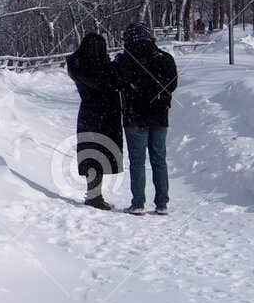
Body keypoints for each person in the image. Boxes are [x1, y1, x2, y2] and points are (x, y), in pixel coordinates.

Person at [114, 21, 178, 216]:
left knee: (137, 161)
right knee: (159, 159)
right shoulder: (165, 58)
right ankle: (162, 203)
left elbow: (117, 83)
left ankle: (138, 203)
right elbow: (173, 84)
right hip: (159, 116)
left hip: (134, 117)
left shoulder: (125, 60)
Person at [65, 32, 123, 210]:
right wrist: (116, 65)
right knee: (99, 153)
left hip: (89, 114)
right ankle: (94, 197)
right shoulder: (101, 68)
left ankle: (94, 194)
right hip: (105, 113)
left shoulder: (78, 65)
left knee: (92, 154)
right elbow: (106, 82)